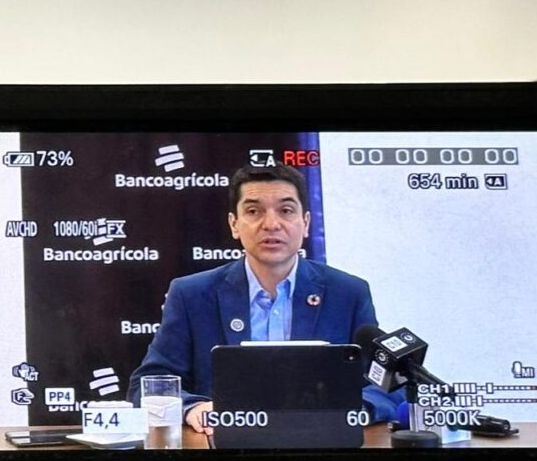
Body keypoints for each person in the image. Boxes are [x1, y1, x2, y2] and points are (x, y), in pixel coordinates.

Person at [127, 164, 400, 438]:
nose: (271, 224)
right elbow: (147, 385)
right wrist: (192, 408)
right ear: (234, 224)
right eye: (254, 211)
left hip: (322, 447)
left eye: (286, 210)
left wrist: (355, 410)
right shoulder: (192, 294)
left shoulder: (347, 293)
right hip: (223, 450)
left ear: (306, 223)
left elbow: (386, 383)